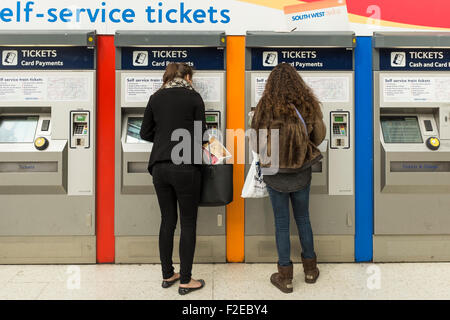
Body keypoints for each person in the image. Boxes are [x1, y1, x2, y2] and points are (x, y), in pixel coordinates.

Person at [251, 63, 326, 293]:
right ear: (297, 82)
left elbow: (255, 141)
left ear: (271, 84)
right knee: (303, 218)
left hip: (275, 172)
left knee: (281, 223)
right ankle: (311, 270)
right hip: (301, 170)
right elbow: (319, 136)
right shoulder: (307, 104)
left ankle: (285, 277)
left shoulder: (265, 106)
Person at [140, 62, 207, 295]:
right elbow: (201, 133)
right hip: (186, 165)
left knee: (167, 220)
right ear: (187, 76)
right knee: (188, 223)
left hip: (159, 166)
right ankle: (186, 279)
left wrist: (163, 139)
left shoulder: (155, 98)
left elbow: (144, 132)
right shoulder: (194, 98)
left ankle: (168, 274)